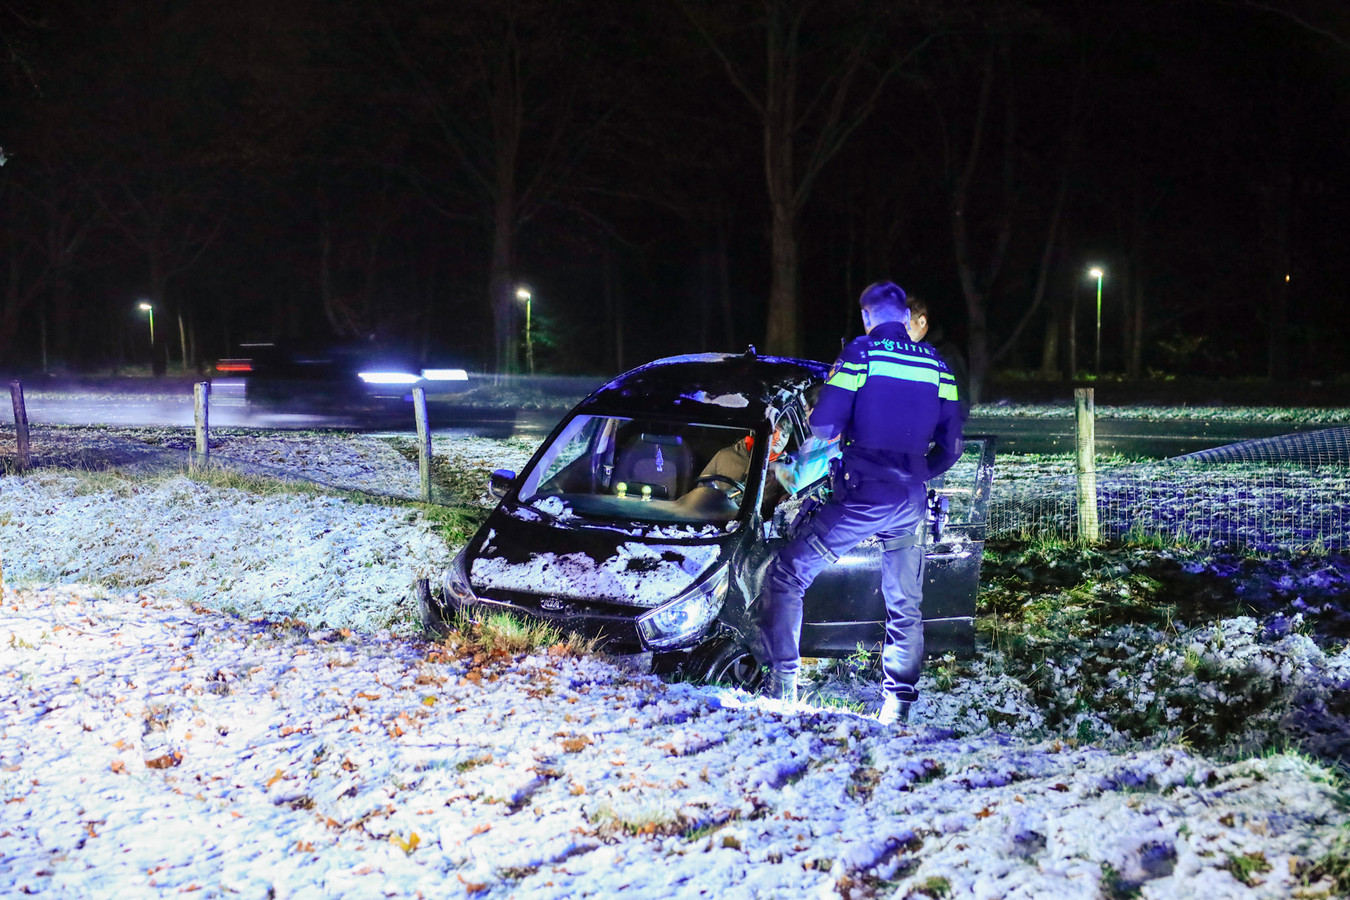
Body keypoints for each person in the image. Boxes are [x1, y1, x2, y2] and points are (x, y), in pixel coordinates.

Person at [757, 281, 964, 726]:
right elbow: (952, 447)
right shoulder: (937, 364)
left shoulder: (861, 354)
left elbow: (824, 425)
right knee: (905, 605)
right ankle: (898, 707)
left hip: (863, 494)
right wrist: (915, 474)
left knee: (787, 574)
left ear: (868, 317)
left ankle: (782, 688)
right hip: (910, 500)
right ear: (905, 317)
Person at [905, 294, 971, 419]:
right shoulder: (906, 351)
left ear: (922, 322)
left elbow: (960, 403)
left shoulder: (945, 353)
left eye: (904, 326)